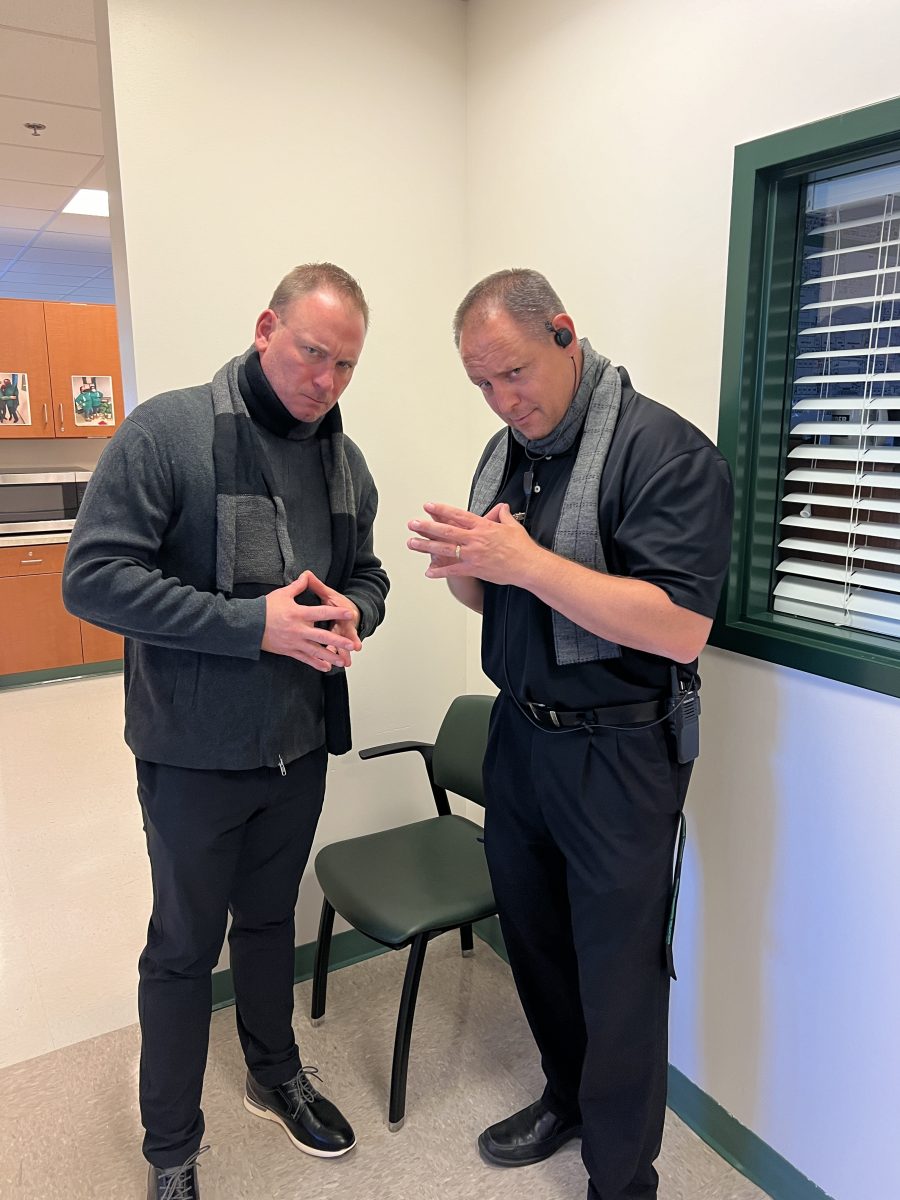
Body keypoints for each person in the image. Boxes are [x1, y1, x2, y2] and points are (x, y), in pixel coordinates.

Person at [63, 263, 389, 1200]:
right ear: (265, 328)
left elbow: (367, 576)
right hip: (191, 755)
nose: (324, 381)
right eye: (311, 352)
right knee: (180, 949)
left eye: (345, 366)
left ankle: (272, 1070)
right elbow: (93, 579)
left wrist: (348, 613)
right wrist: (255, 625)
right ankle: (170, 1149)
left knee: (268, 922)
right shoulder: (168, 432)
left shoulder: (342, 459)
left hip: (296, 748)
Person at [407, 269, 733, 1200]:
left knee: (621, 980)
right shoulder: (510, 450)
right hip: (522, 739)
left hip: (621, 756)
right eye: (481, 384)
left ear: (564, 334)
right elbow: (498, 593)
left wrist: (525, 560)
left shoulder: (664, 452)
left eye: (512, 373)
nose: (504, 399)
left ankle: (622, 1181)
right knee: (539, 945)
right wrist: (470, 566)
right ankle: (566, 1096)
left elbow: (678, 626)